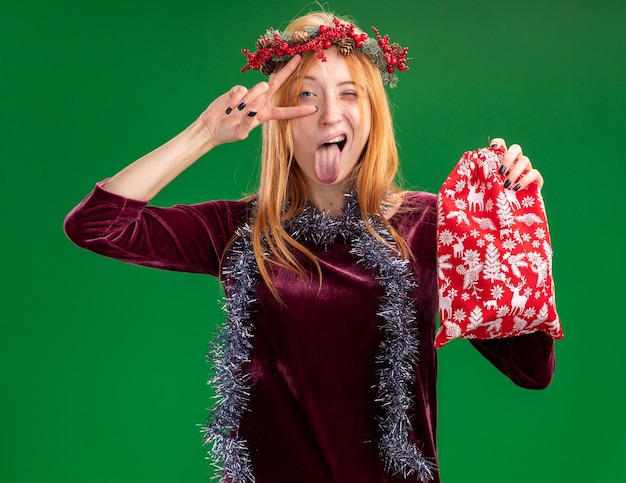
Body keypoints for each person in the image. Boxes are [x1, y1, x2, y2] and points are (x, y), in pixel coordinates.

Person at [64, 10, 555, 483]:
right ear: (280, 119)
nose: (329, 115)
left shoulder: (429, 226)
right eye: (307, 95)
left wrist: (512, 228)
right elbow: (96, 224)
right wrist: (206, 134)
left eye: (349, 93)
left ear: (372, 113)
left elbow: (532, 367)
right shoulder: (245, 232)